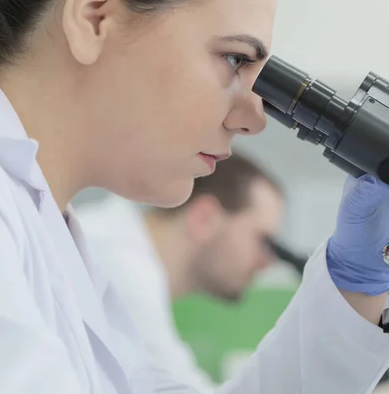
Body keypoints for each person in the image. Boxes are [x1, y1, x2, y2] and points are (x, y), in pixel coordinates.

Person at [0, 0, 389, 392]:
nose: (254, 118)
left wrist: (355, 283)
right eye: (236, 59)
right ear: (94, 16)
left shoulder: (49, 227)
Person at [75, 153, 285, 392]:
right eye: (262, 241)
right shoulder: (119, 264)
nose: (267, 262)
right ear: (204, 218)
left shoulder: (122, 252)